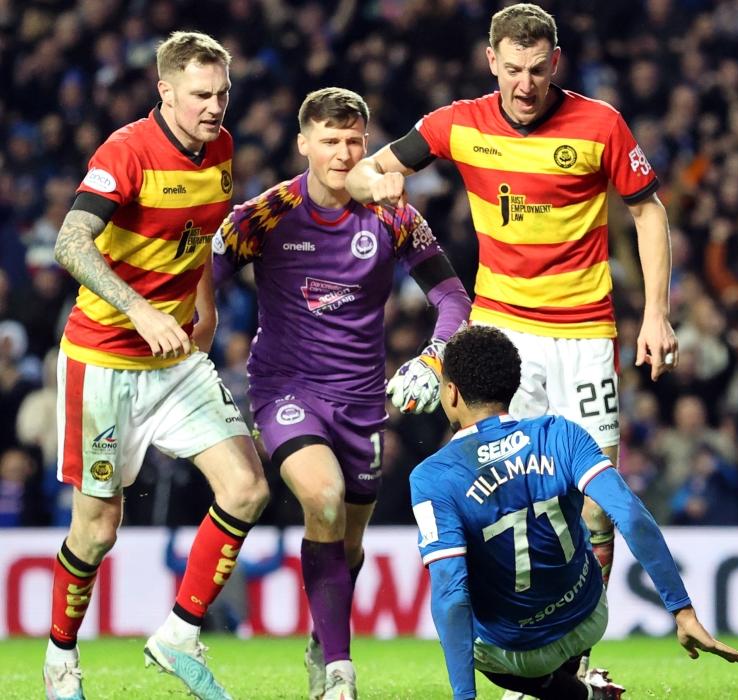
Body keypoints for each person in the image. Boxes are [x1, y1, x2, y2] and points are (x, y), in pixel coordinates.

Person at [347, 5, 679, 637]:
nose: (525, 85)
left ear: (555, 63)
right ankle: (506, 636)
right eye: (513, 70)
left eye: (538, 70)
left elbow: (649, 211)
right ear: (491, 61)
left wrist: (657, 315)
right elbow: (367, 169)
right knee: (500, 497)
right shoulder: (458, 123)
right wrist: (376, 184)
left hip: (585, 335)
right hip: (503, 335)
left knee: (597, 507)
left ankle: (576, 653)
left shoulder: (600, 124)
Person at [211, 87, 471, 700]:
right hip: (285, 390)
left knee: (348, 542)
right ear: (303, 143)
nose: (343, 153)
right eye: (329, 140)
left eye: (353, 141)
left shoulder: (393, 215)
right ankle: (339, 672)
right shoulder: (265, 214)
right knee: (323, 499)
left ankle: (321, 637)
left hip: (362, 403)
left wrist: (433, 357)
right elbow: (197, 280)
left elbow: (453, 299)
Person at [44, 31, 270, 700]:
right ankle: (60, 662)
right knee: (97, 529)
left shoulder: (221, 148)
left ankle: (177, 635)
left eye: (223, 93)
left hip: (174, 358)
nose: (215, 107)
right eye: (201, 95)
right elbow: (69, 241)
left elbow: (196, 238)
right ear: (165, 91)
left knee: (247, 489)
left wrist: (206, 309)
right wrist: (138, 309)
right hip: (104, 359)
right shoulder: (127, 151)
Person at [410, 326, 738, 700]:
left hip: (513, 653)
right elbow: (630, 515)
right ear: (514, 385)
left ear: (451, 392)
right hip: (588, 618)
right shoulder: (561, 433)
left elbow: (451, 593)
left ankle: (574, 693)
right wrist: (682, 611)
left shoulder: (431, 477)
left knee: (464, 617)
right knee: (578, 520)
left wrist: (464, 697)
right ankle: (586, 687)